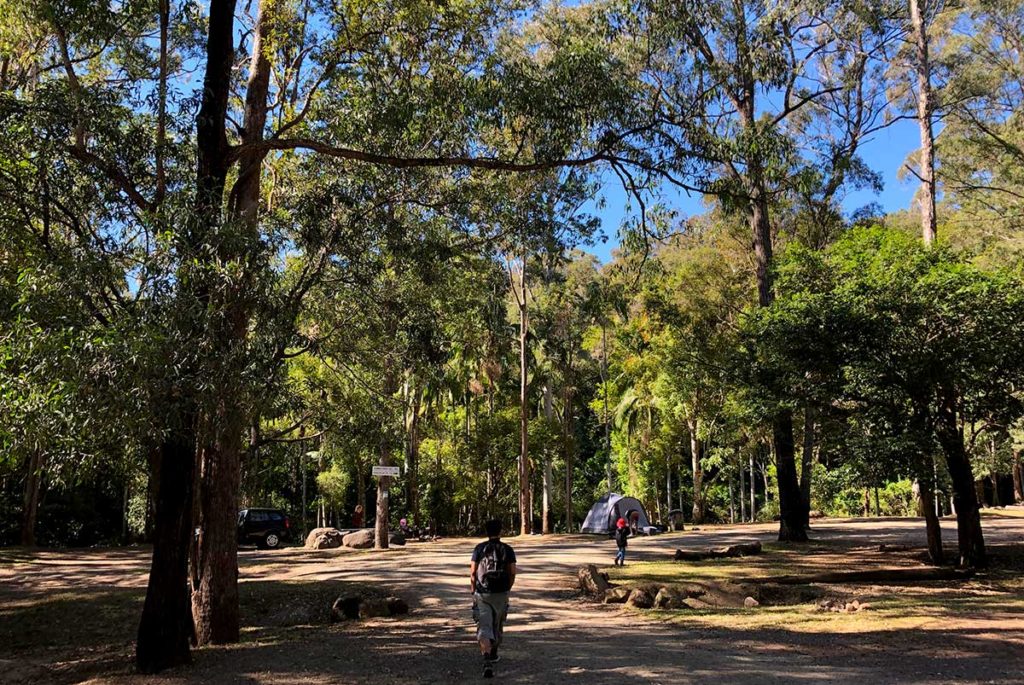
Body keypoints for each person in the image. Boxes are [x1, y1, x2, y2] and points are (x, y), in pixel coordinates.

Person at [470, 519, 517, 679]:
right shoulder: (508, 549)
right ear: (500, 531)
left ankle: (486, 659)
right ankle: (494, 651)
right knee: (497, 624)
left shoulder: (479, 548)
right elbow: (512, 572)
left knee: (484, 626)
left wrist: (473, 589)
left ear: (486, 531)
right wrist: (508, 588)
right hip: (501, 593)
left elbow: (473, 571)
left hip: (483, 592)